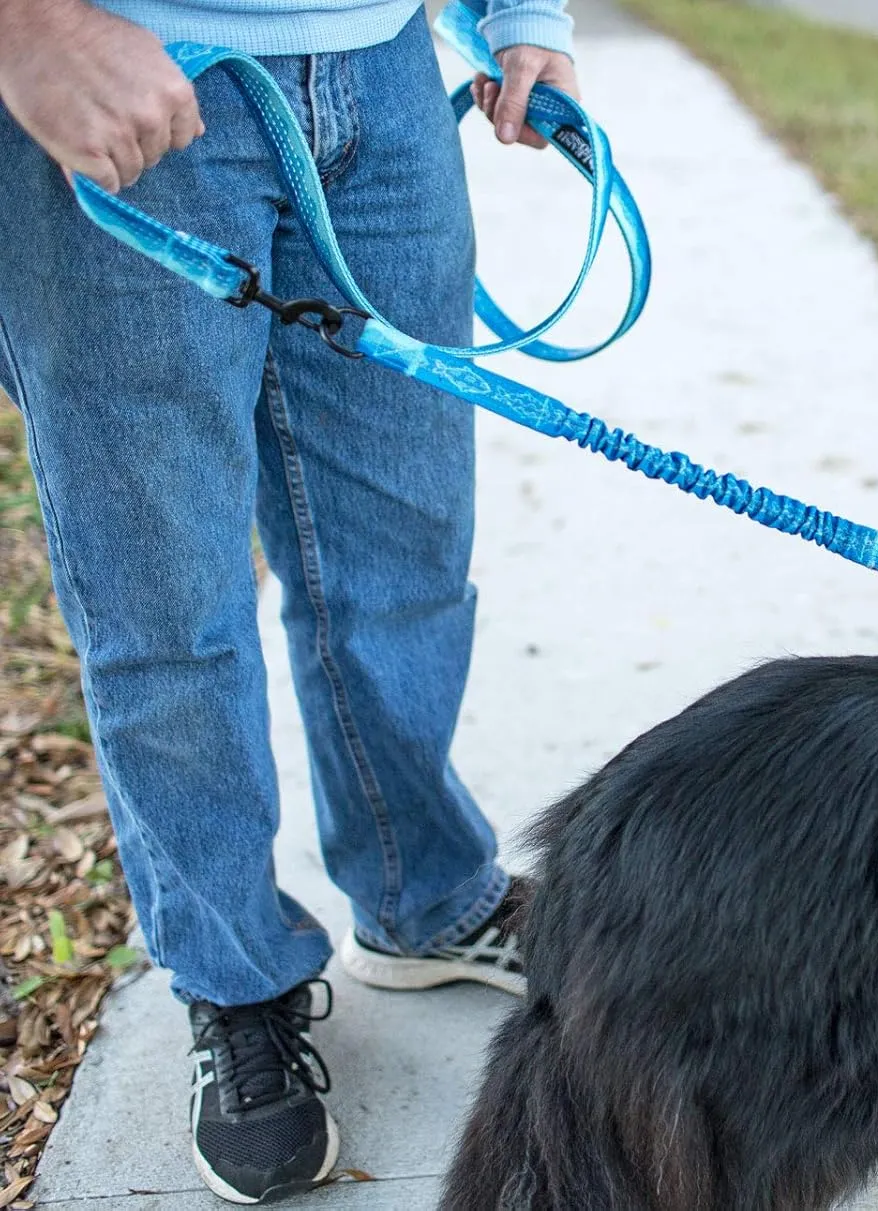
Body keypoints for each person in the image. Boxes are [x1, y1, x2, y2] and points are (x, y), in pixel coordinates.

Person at [0, 0, 576, 1200]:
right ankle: (236, 979)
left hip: (387, 81)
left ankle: (425, 896)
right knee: (167, 608)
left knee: (405, 556)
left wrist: (522, 12)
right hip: (129, 68)